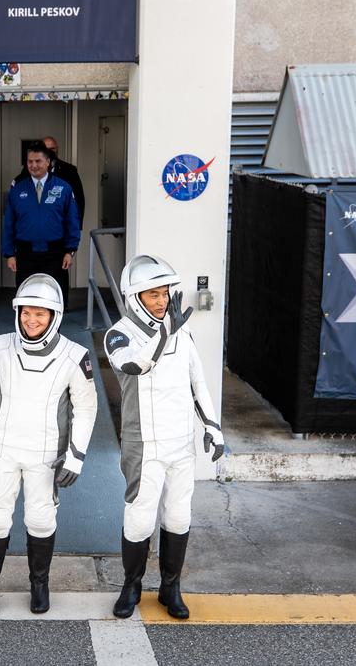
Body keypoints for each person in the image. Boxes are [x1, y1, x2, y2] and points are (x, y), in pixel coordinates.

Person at [0, 274, 96, 615]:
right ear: (18, 312)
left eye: (40, 314)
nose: (31, 320)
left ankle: (39, 584)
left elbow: (86, 407)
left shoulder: (74, 356)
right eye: (26, 312)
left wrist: (76, 457)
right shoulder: (2, 345)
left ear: (54, 316)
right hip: (4, 449)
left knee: (41, 519)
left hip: (47, 454)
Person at [103, 255, 225, 620]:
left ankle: (170, 586)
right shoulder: (118, 334)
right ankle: (132, 585)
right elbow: (135, 365)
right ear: (134, 297)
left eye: (164, 293)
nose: (160, 301)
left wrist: (213, 427)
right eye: (151, 294)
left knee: (177, 515)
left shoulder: (181, 331)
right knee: (140, 519)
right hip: (144, 445)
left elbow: (197, 380)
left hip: (180, 442)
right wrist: (163, 334)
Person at [2, 144, 80, 303]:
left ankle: (55, 327)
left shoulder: (63, 188)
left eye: (38, 161)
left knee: (54, 296)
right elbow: (9, 223)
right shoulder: (17, 189)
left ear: (48, 162)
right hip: (25, 253)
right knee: (25, 297)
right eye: (30, 161)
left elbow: (72, 221)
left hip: (54, 253)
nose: (33, 165)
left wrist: (70, 251)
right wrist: (9, 254)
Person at [12, 136, 85, 231]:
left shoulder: (69, 170)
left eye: (52, 149)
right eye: (46, 149)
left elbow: (78, 199)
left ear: (57, 150)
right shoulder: (29, 170)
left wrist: (76, 225)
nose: (49, 152)